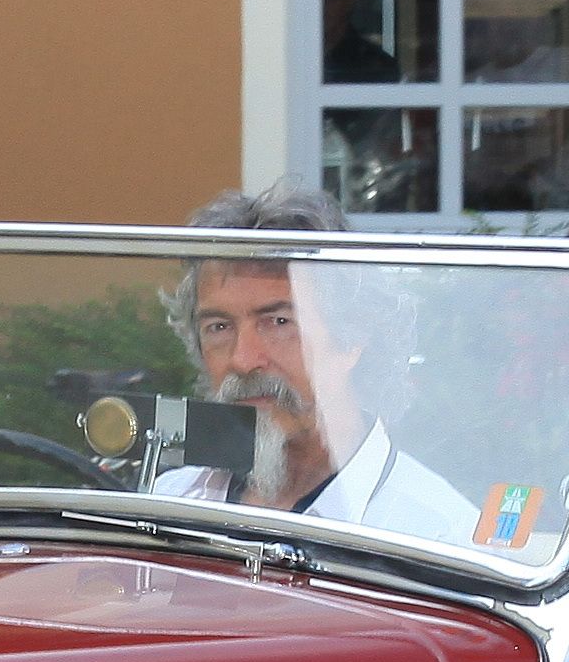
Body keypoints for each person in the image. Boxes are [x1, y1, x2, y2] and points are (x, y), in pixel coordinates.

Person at [169, 186, 480, 542]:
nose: (243, 359)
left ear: (352, 337)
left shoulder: (436, 534)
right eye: (219, 327)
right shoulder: (171, 503)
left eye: (278, 322)